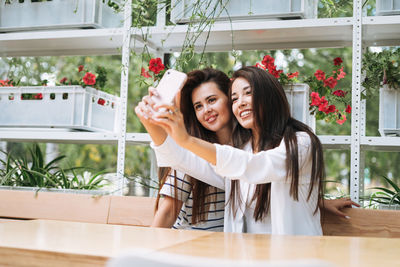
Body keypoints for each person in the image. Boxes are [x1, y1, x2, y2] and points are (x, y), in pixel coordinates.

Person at [136, 67, 359, 234]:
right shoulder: (240, 151)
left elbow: (256, 167)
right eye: (235, 98)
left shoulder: (300, 143)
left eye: (248, 93)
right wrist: (151, 124)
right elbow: (184, 159)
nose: (240, 102)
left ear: (269, 95)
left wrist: (185, 139)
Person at [138, 68, 231, 231]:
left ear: (230, 98)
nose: (206, 110)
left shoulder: (247, 149)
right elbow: (167, 212)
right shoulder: (193, 151)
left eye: (211, 100)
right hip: (187, 247)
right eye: (198, 106)